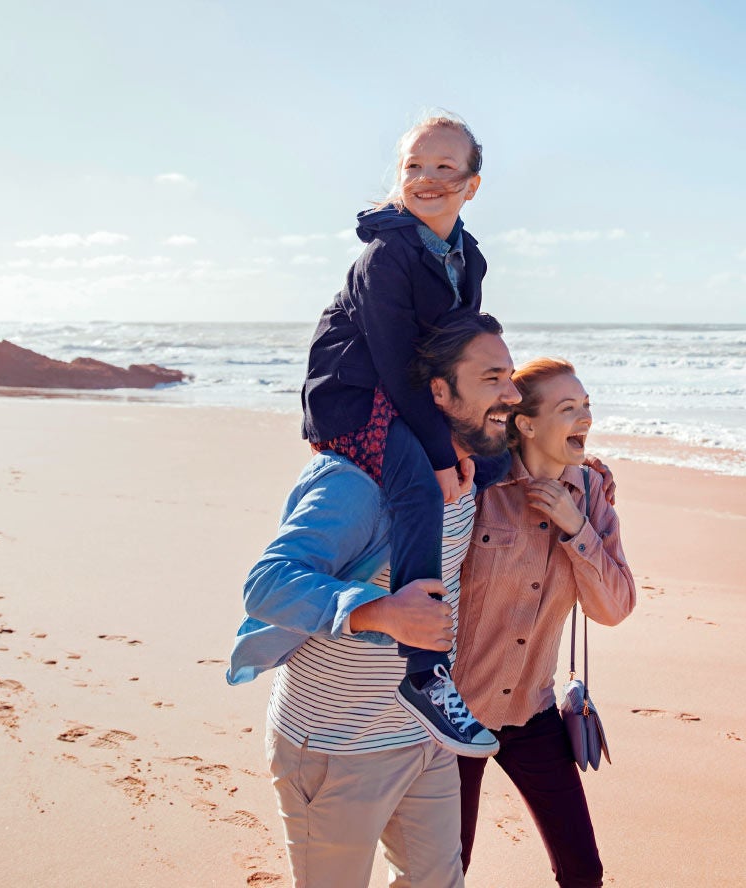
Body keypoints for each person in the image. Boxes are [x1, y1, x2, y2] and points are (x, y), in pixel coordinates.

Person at [228, 314, 521, 887]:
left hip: (420, 735)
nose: (510, 394)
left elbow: (533, 449)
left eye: (510, 376)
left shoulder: (465, 470)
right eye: (491, 378)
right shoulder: (354, 482)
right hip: (337, 746)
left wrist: (583, 474)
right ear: (439, 390)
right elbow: (266, 583)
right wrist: (379, 611)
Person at [300, 111, 496, 754]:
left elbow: (457, 351)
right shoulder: (386, 254)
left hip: (410, 387)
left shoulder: (470, 258)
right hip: (355, 395)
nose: (428, 178)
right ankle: (425, 673)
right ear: (399, 176)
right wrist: (441, 454)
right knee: (418, 486)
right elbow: (389, 361)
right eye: (415, 166)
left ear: (471, 184)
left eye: (445, 167)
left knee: (498, 458)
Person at [452, 358, 637, 888]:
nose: (585, 419)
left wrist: (576, 525)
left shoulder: (592, 493)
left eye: (586, 407)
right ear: (526, 424)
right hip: (454, 717)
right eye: (568, 409)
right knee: (445, 869)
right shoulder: (477, 489)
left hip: (531, 711)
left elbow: (614, 608)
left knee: (583, 871)